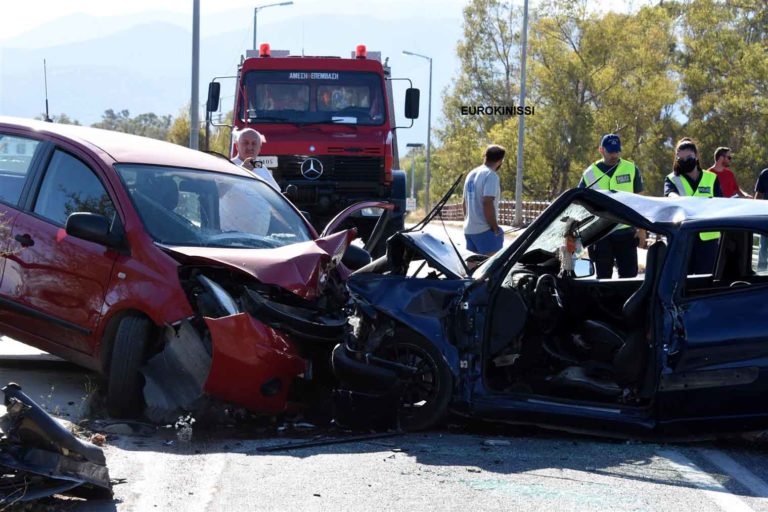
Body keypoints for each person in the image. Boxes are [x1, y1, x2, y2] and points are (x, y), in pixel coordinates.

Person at [578, 133, 645, 278]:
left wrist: (641, 230)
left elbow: (640, 201)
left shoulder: (631, 169)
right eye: (610, 151)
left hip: (626, 232)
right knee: (603, 278)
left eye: (617, 151)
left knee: (629, 278)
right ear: (601, 150)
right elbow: (580, 203)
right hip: (601, 235)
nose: (614, 155)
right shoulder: (589, 174)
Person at [665, 137, 722, 274]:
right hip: (683, 237)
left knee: (705, 279)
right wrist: (677, 199)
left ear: (696, 155)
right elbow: (670, 195)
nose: (685, 161)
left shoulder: (711, 178)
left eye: (689, 157)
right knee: (682, 280)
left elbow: (720, 203)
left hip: (708, 238)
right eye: (681, 158)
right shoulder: (672, 179)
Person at [463, 144, 506, 256]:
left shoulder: (471, 174)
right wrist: (495, 228)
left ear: (485, 156)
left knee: (472, 269)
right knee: (491, 270)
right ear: (501, 160)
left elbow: (464, 203)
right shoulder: (491, 175)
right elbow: (487, 202)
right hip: (485, 230)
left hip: (469, 230)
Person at [754, 167, 768, 271]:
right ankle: (761, 274)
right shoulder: (765, 173)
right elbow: (758, 194)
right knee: (763, 247)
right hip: (765, 216)